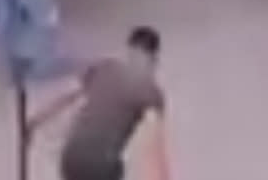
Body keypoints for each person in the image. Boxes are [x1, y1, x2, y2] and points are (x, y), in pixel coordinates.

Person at [30, 26, 170, 180]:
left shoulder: (104, 68)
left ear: (129, 51)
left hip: (71, 158)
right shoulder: (150, 92)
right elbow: (154, 146)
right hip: (102, 165)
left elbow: (70, 97)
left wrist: (37, 120)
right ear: (153, 59)